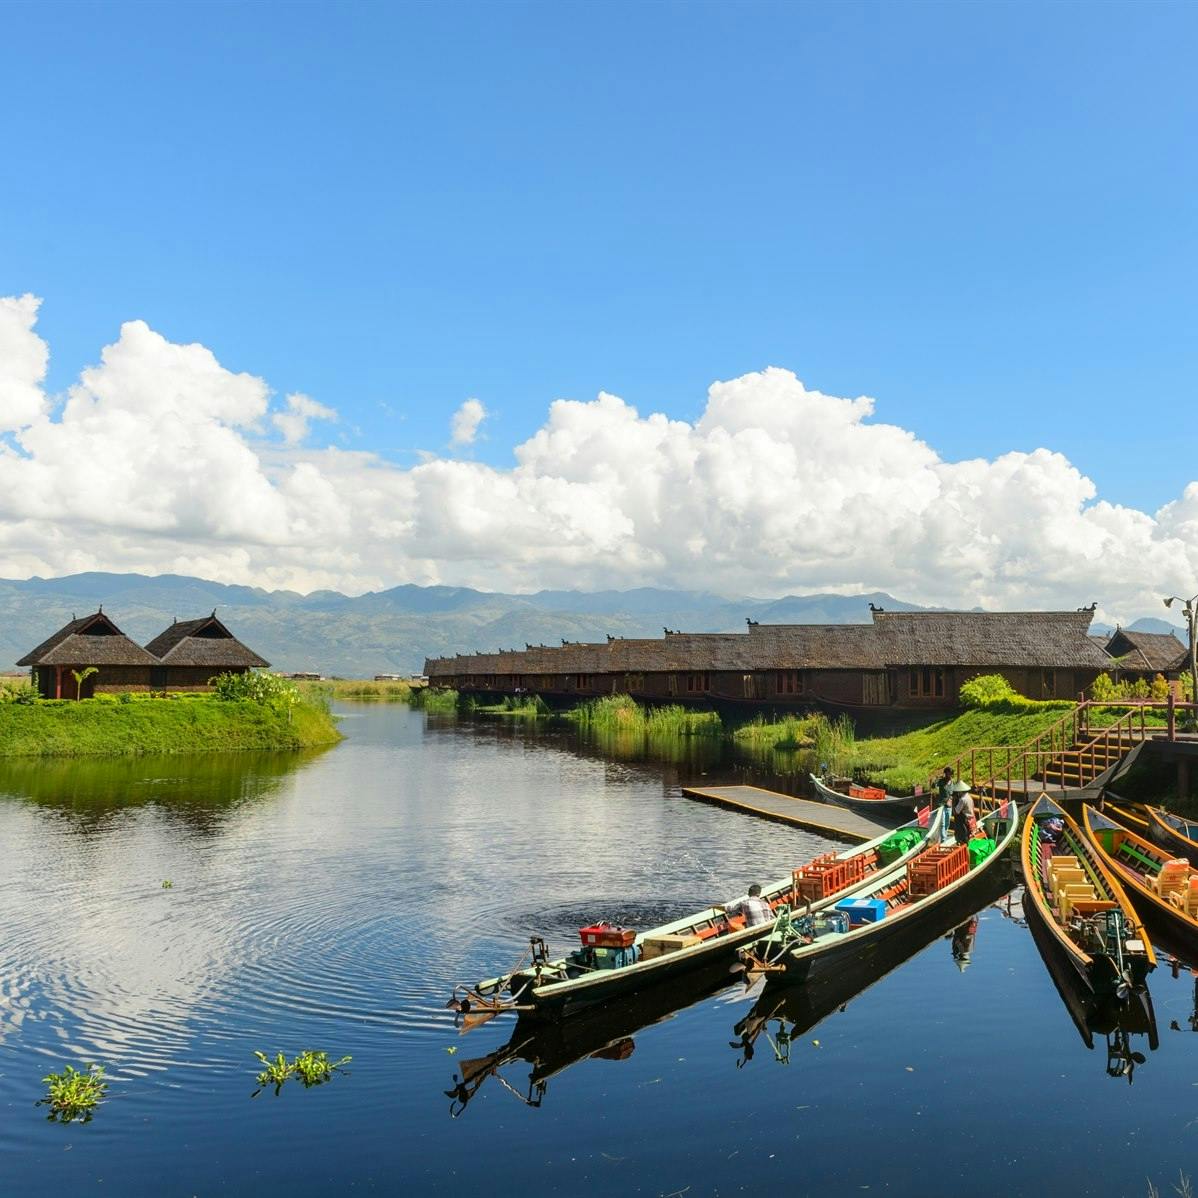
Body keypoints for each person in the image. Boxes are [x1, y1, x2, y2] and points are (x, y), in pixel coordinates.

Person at [950, 780, 977, 845]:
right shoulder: (969, 796)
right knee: (967, 836)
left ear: (960, 791)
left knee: (963, 838)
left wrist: (952, 803)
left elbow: (956, 812)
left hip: (964, 820)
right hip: (971, 818)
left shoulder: (962, 799)